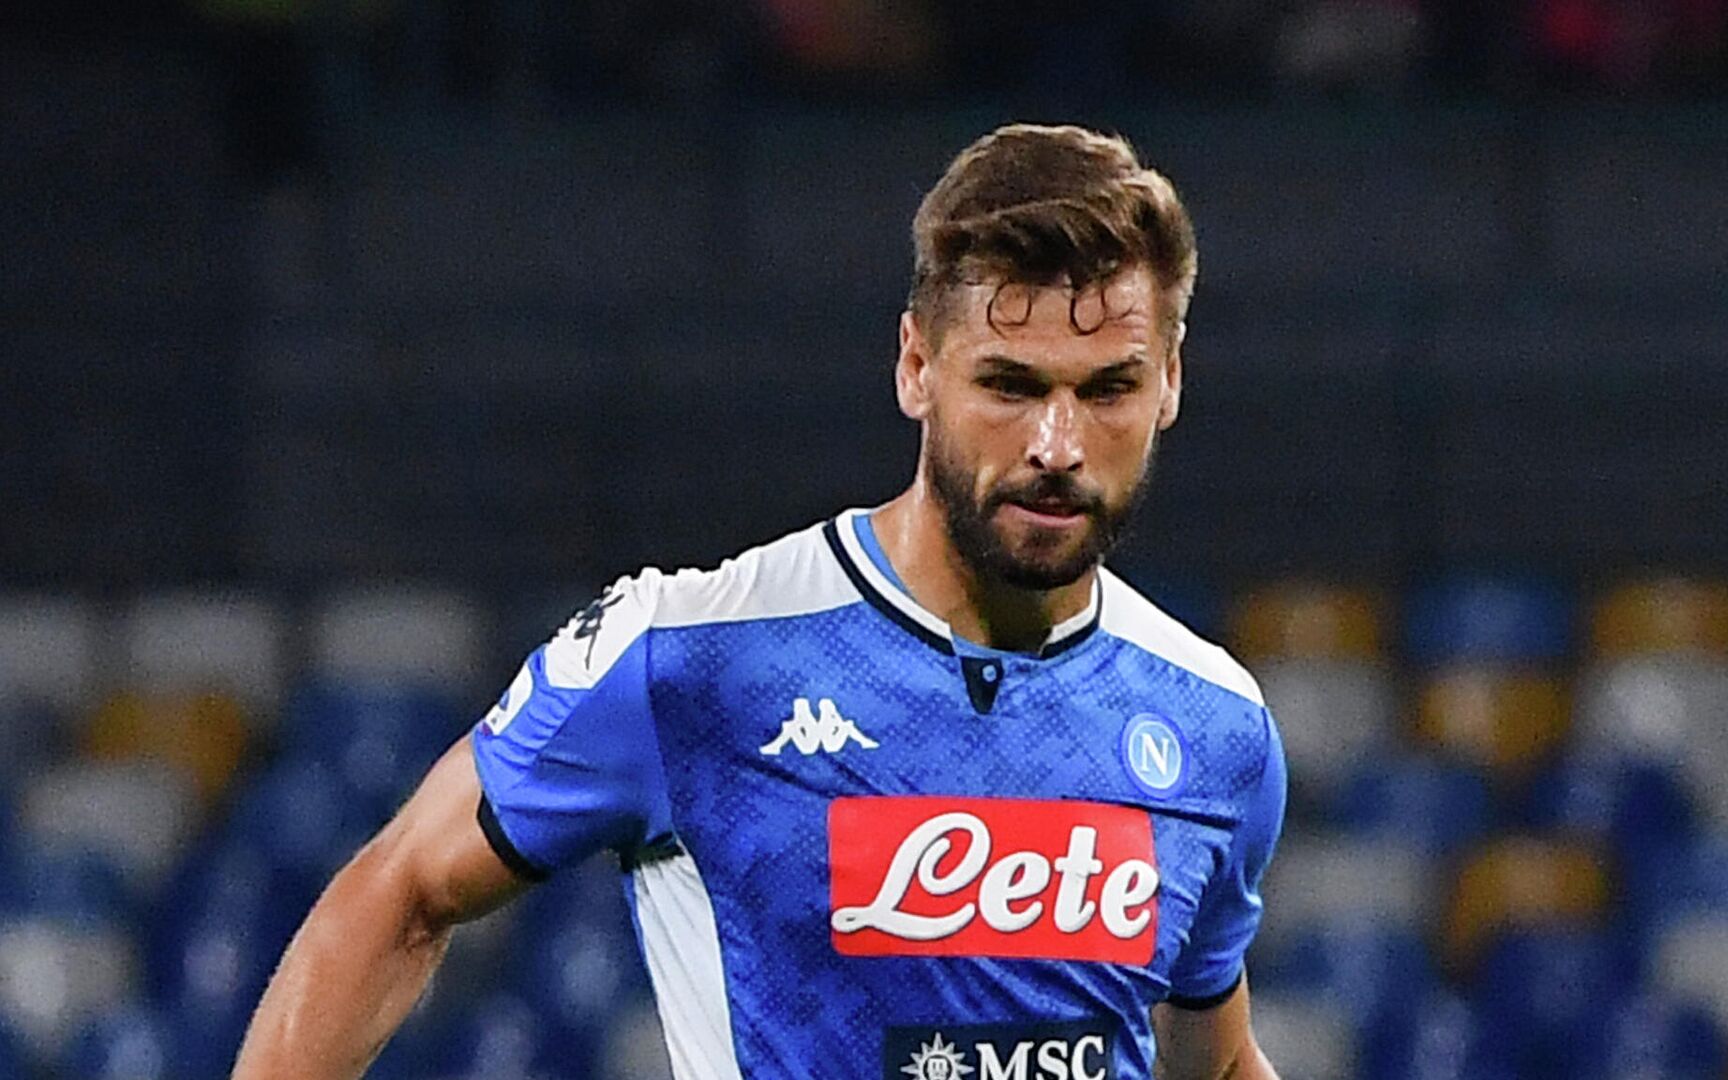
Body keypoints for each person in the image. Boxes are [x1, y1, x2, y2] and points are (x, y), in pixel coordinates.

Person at [233, 122, 1287, 1080]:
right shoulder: (695, 659)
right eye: (1009, 386)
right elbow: (404, 885)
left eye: (1107, 390)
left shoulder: (1215, 728)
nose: (1057, 447)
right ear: (917, 366)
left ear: (1172, 384)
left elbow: (1216, 1063)